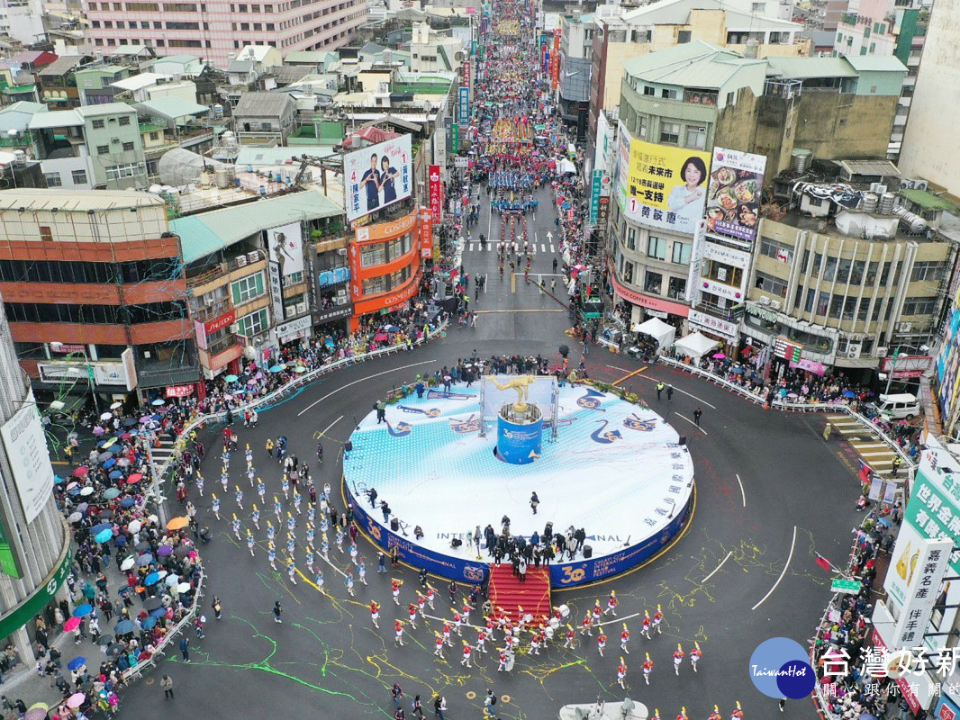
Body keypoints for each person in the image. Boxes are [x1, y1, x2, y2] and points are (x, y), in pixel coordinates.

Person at [666, 156, 708, 229]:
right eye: (688, 171)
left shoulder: (704, 193)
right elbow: (671, 205)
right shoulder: (677, 189)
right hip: (675, 231)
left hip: (694, 235)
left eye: (696, 172)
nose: (691, 175)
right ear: (684, 171)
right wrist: (691, 197)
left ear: (701, 174)